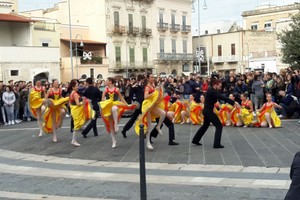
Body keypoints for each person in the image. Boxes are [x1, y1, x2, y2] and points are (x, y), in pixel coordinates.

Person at [192, 79, 240, 149]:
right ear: (215, 85)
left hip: (206, 110)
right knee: (219, 126)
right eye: (219, 86)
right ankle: (216, 144)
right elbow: (222, 97)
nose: (220, 88)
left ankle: (195, 140)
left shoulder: (211, 90)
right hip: (208, 111)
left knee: (205, 125)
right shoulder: (212, 91)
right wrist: (234, 103)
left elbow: (219, 96)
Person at [100, 77, 136, 148]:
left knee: (114, 108)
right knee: (111, 124)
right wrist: (104, 103)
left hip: (115, 104)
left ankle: (116, 124)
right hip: (108, 106)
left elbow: (121, 98)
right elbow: (102, 99)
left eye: (107, 81)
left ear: (110, 81)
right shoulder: (105, 89)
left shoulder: (116, 89)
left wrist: (127, 105)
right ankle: (114, 141)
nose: (106, 82)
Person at [135, 73, 166, 150]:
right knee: (149, 125)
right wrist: (154, 92)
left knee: (163, 113)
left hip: (153, 105)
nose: (153, 78)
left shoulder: (153, 86)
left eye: (153, 77)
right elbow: (145, 97)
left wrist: (159, 90)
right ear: (148, 79)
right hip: (148, 106)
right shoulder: (147, 87)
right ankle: (148, 142)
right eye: (151, 77)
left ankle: (158, 126)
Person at [69, 79, 94, 147]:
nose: (78, 87)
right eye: (76, 86)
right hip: (77, 110)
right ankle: (73, 140)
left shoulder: (72, 93)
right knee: (77, 125)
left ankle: (80, 128)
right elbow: (78, 104)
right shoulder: (75, 94)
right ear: (73, 87)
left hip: (74, 110)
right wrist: (84, 102)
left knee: (84, 119)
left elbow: (70, 103)